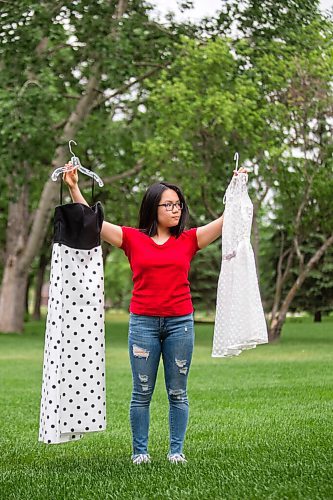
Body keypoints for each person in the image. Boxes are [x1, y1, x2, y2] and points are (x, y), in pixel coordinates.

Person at [63, 162, 247, 464]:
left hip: (180, 325)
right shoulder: (132, 238)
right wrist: (73, 187)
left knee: (178, 392)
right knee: (142, 392)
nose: (176, 210)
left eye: (178, 204)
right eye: (169, 204)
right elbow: (90, 221)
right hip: (143, 325)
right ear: (154, 207)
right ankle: (140, 452)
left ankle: (176, 452)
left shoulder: (189, 240)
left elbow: (228, 220)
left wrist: (237, 187)